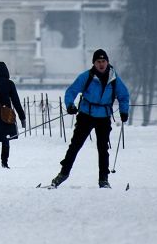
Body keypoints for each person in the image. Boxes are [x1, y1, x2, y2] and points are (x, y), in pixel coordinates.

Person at [50, 49, 130, 189]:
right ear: (94, 63)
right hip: (86, 115)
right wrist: (70, 105)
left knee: (103, 149)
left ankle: (103, 179)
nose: (101, 64)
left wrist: (124, 111)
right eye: (98, 62)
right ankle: (63, 174)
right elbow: (71, 91)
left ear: (107, 62)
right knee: (75, 146)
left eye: (103, 61)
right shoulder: (86, 76)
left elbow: (124, 95)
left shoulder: (114, 79)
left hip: (104, 117)